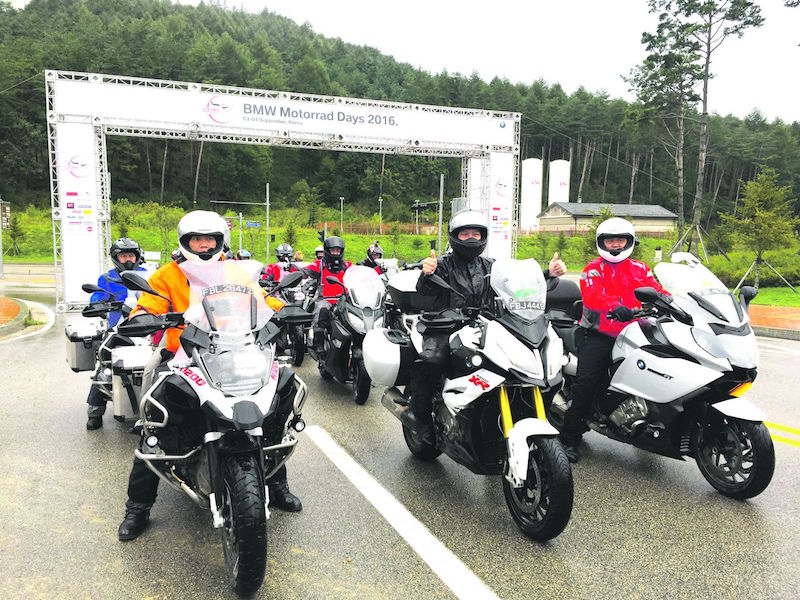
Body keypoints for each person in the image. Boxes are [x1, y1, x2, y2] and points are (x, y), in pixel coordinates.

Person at [117, 210, 302, 542]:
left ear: (220, 242)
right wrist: (146, 316)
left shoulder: (234, 271)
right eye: (196, 239)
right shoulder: (167, 276)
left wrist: (281, 308)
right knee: (154, 421)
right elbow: (147, 305)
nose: (203, 245)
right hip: (181, 355)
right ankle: (138, 508)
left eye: (210, 239)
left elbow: (260, 298)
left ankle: (277, 483)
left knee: (274, 402)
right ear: (185, 242)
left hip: (234, 351)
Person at [412, 211, 566, 444]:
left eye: (476, 233)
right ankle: (421, 418)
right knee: (432, 359)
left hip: (485, 324)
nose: (471, 238)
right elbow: (425, 290)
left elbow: (520, 289)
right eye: (465, 234)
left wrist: (547, 275)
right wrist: (427, 274)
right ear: (455, 237)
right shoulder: (442, 265)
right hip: (445, 325)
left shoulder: (492, 266)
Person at [559, 217, 669, 463]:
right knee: (586, 384)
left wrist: (672, 302)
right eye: (610, 240)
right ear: (602, 243)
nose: (616, 245)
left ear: (630, 242)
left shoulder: (640, 269)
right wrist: (615, 306)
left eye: (620, 239)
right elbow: (592, 295)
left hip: (637, 331)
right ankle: (569, 438)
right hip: (599, 334)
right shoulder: (593, 269)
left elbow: (657, 290)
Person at [85, 237, 148, 430]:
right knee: (105, 364)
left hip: (148, 326)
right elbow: (97, 296)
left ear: (137, 257)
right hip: (118, 329)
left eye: (131, 255)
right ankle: (95, 410)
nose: (128, 259)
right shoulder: (107, 278)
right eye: (123, 256)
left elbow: (163, 293)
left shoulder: (150, 275)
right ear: (115, 258)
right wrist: (98, 304)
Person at [304, 236, 351, 353]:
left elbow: (359, 274)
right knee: (320, 310)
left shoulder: (347, 266)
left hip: (344, 300)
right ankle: (318, 343)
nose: (335, 253)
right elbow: (306, 270)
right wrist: (298, 271)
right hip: (326, 299)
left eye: (338, 250)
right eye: (333, 250)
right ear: (327, 251)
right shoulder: (319, 265)